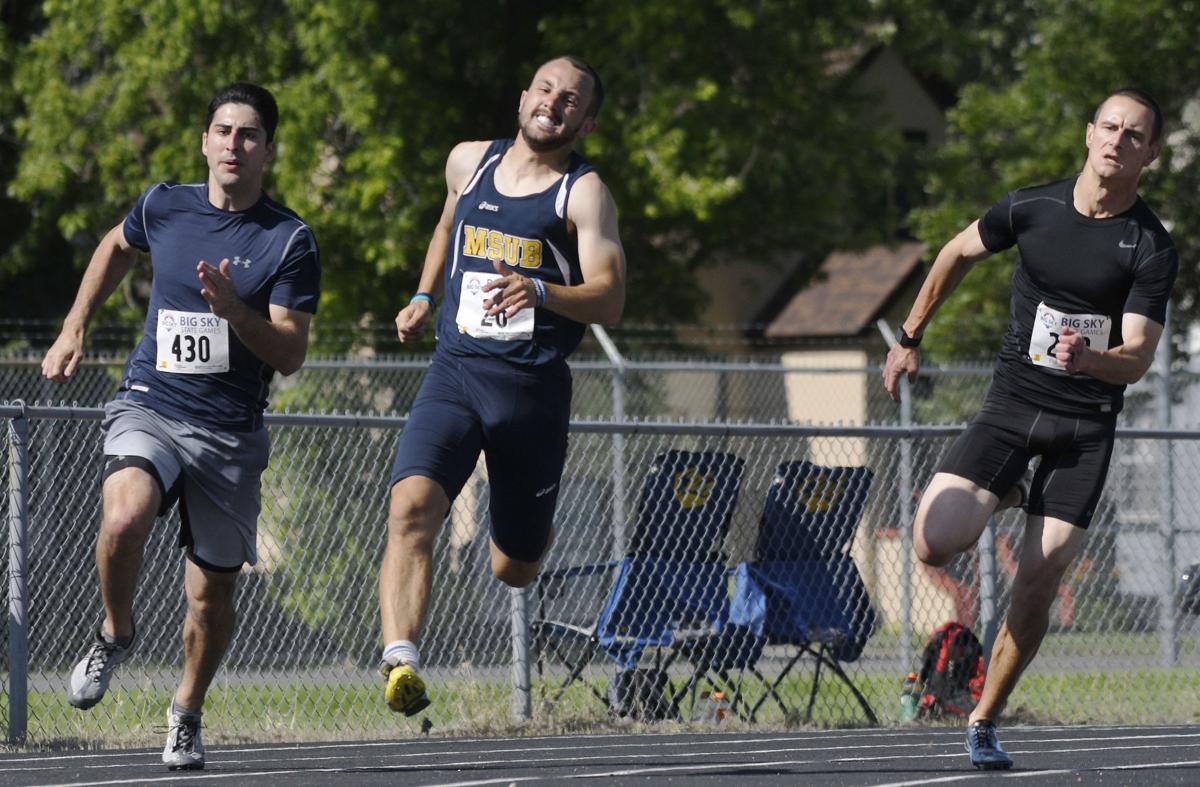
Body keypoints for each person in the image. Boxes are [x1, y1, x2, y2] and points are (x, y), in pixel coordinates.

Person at [883, 87, 1176, 770]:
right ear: (1087, 133)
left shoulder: (1150, 245)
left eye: (1134, 136)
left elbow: (1136, 359)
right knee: (934, 542)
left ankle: (984, 719)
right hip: (1012, 410)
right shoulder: (1031, 207)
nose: (1117, 141)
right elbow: (955, 252)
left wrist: (1092, 358)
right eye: (1109, 127)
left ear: (1151, 155)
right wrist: (908, 335)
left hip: (1083, 431)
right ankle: (1011, 488)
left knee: (1038, 583)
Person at [41, 82, 320, 770]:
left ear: (268, 151)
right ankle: (115, 629)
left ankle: (186, 712)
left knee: (211, 594)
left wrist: (235, 313)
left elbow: (290, 352)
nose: (234, 144)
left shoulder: (289, 240)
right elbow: (115, 245)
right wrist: (75, 323)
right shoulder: (164, 204)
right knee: (123, 518)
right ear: (204, 141)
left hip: (229, 433)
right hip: (152, 404)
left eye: (249, 134)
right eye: (223, 130)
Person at [378, 55, 626, 715]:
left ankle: (520, 528)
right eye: (546, 88)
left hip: (532, 391)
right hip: (456, 373)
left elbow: (610, 297)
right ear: (523, 98)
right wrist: (424, 296)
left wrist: (541, 288)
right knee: (411, 506)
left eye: (571, 99)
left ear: (587, 121)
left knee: (511, 567)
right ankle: (401, 661)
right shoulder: (469, 162)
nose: (555, 101)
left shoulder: (583, 192)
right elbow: (446, 224)